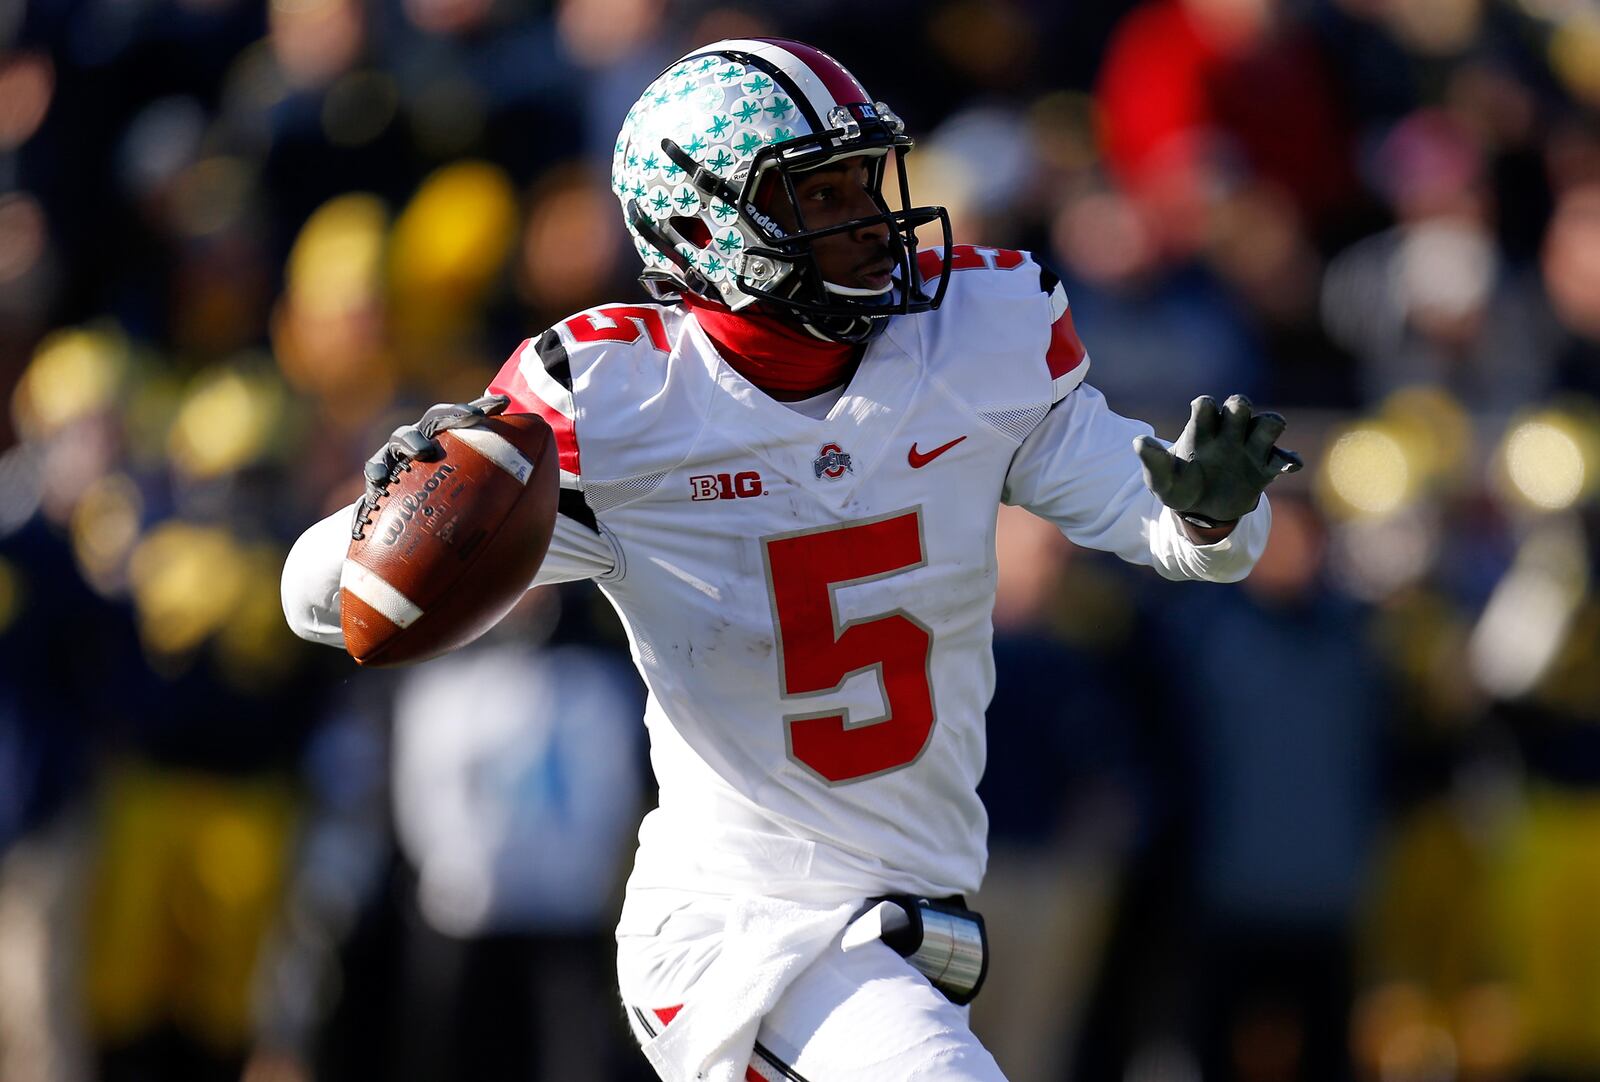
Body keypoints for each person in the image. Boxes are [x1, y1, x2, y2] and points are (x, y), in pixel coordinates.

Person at [281, 37, 1301, 1082]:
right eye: (815, 196)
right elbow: (326, 599)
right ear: (697, 228)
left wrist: (1217, 516)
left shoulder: (970, 336)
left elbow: (1172, 526)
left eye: (863, 179)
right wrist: (391, 513)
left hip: (913, 920)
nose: (867, 218)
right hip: (744, 930)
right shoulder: (614, 401)